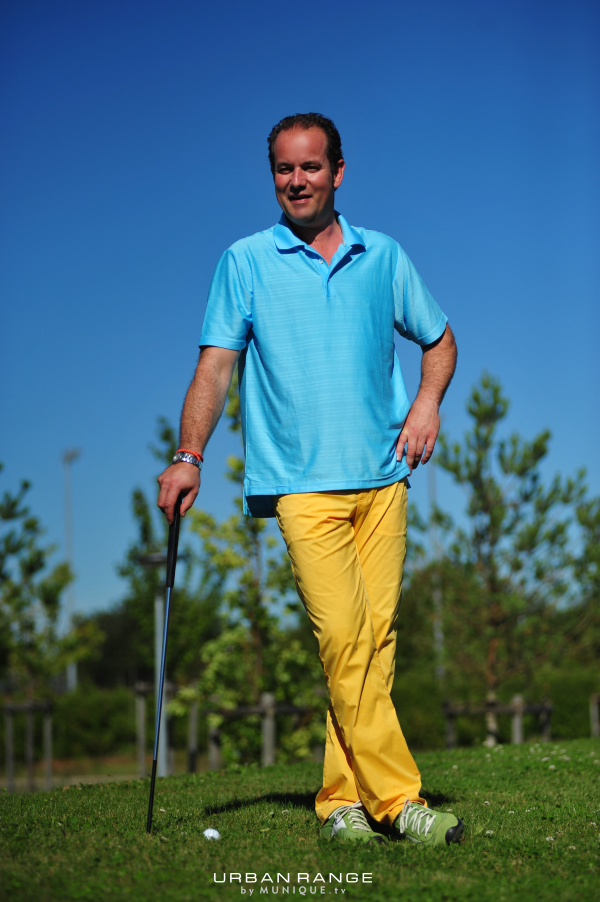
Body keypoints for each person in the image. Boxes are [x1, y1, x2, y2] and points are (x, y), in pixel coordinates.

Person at [157, 112, 463, 847]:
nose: (297, 181)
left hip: (385, 478)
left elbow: (440, 340)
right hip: (301, 484)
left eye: (311, 166)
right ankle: (401, 802)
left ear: (338, 172)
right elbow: (215, 367)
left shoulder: (382, 256)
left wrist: (426, 405)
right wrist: (189, 455)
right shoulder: (245, 262)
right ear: (274, 177)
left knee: (374, 644)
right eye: (284, 169)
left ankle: (340, 802)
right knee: (344, 641)